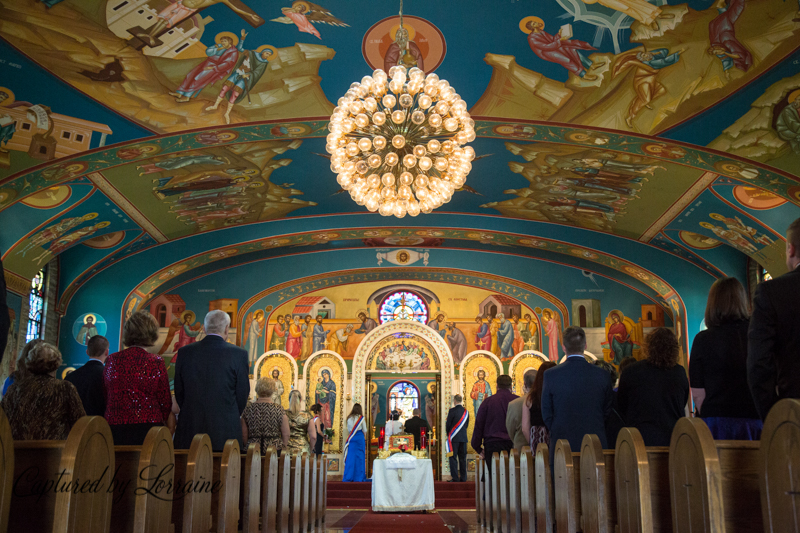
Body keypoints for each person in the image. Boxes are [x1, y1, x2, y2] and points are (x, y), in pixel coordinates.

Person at [690, 277, 761, 439]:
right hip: (754, 420)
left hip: (716, 422)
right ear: (742, 301)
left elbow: (698, 394)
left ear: (712, 303)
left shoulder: (703, 339)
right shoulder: (756, 335)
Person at [174, 310, 250, 451]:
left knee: (186, 471)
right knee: (225, 471)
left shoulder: (185, 353)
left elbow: (179, 391)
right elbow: (242, 394)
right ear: (227, 328)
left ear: (204, 327)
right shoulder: (239, 355)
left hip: (190, 428)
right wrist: (228, 412)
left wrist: (191, 410)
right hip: (225, 431)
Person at [748, 217, 800, 420]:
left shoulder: (772, 292)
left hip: (794, 412)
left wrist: (772, 416)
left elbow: (759, 364)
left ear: (791, 250)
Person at [542, 327, 612, 465]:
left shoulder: (551, 375)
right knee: (596, 484)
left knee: (563, 484)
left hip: (562, 443)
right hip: (595, 442)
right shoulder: (602, 375)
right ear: (585, 346)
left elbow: (547, 413)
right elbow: (607, 409)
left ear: (563, 347)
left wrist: (560, 428)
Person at [104, 311, 173, 445]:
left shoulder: (112, 359)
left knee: (118, 465)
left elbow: (106, 392)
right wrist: (164, 420)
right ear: (152, 333)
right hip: (149, 426)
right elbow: (164, 400)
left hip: (115, 425)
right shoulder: (155, 361)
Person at [618, 328, 689, 446]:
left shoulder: (631, 371)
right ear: (674, 349)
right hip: (672, 438)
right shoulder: (679, 372)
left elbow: (622, 405)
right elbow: (682, 402)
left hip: (640, 437)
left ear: (648, 347)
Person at [2, 342, 85, 440]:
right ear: (56, 363)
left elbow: (3, 417)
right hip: (52, 451)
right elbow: (80, 421)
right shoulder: (64, 388)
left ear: (30, 361)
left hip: (17, 449)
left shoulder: (15, 388)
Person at [471, 374, 517, 472]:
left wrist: (478, 447)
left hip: (492, 446)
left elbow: (479, 425)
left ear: (497, 385)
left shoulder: (487, 402)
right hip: (514, 446)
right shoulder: (517, 401)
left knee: (493, 479)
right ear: (510, 386)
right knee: (514, 478)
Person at [241, 378, 289, 453]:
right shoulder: (278, 409)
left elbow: (244, 434)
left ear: (257, 389)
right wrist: (283, 449)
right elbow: (286, 433)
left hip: (252, 448)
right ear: (273, 390)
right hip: (274, 449)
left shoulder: (248, 409)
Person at [64, 335, 108, 416]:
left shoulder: (70, 377)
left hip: (76, 426)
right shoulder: (108, 376)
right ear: (107, 352)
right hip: (101, 425)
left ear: (87, 352)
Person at [522, 361, 556, 451]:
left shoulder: (530, 397)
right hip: (556, 436)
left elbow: (525, 428)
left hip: (538, 437)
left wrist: (533, 441)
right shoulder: (558, 394)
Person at [506, 369, 537, 450]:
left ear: (525, 384)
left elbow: (510, 430)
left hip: (521, 449)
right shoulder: (543, 401)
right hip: (542, 449)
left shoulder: (514, 404)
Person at [445, 395, 469, 482]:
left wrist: (449, 434)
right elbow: (466, 425)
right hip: (463, 438)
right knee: (462, 458)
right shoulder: (466, 412)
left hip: (453, 439)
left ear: (455, 401)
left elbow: (448, 424)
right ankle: (463, 478)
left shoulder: (452, 411)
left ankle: (455, 477)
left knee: (453, 457)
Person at [342, 403, 368, 482]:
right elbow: (365, 430)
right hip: (359, 438)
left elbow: (349, 430)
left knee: (351, 457)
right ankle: (359, 477)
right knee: (360, 458)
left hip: (352, 438)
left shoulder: (349, 418)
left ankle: (349, 476)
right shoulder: (361, 418)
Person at [285, 390, 315, 454]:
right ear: (300, 400)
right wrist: (311, 449)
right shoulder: (307, 415)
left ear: (288, 399)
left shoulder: (283, 414)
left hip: (287, 451)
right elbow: (313, 437)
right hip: (303, 451)